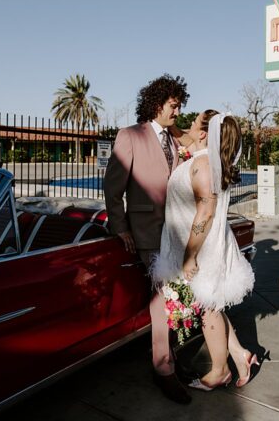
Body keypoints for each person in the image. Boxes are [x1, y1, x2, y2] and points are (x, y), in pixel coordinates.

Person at [151, 110, 257, 391]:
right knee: (211, 304)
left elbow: (205, 213)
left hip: (200, 248)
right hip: (194, 243)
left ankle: (219, 371)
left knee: (208, 309)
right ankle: (239, 354)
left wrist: (190, 256)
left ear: (205, 134)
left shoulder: (204, 166)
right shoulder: (202, 160)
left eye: (196, 122)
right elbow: (183, 134)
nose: (190, 125)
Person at [103, 75, 193, 404]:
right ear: (157, 104)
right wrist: (120, 226)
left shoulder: (173, 138)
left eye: (180, 104)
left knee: (175, 296)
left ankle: (171, 356)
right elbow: (113, 187)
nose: (178, 110)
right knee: (162, 298)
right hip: (144, 230)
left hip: (175, 230)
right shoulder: (129, 136)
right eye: (174, 105)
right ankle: (163, 367)